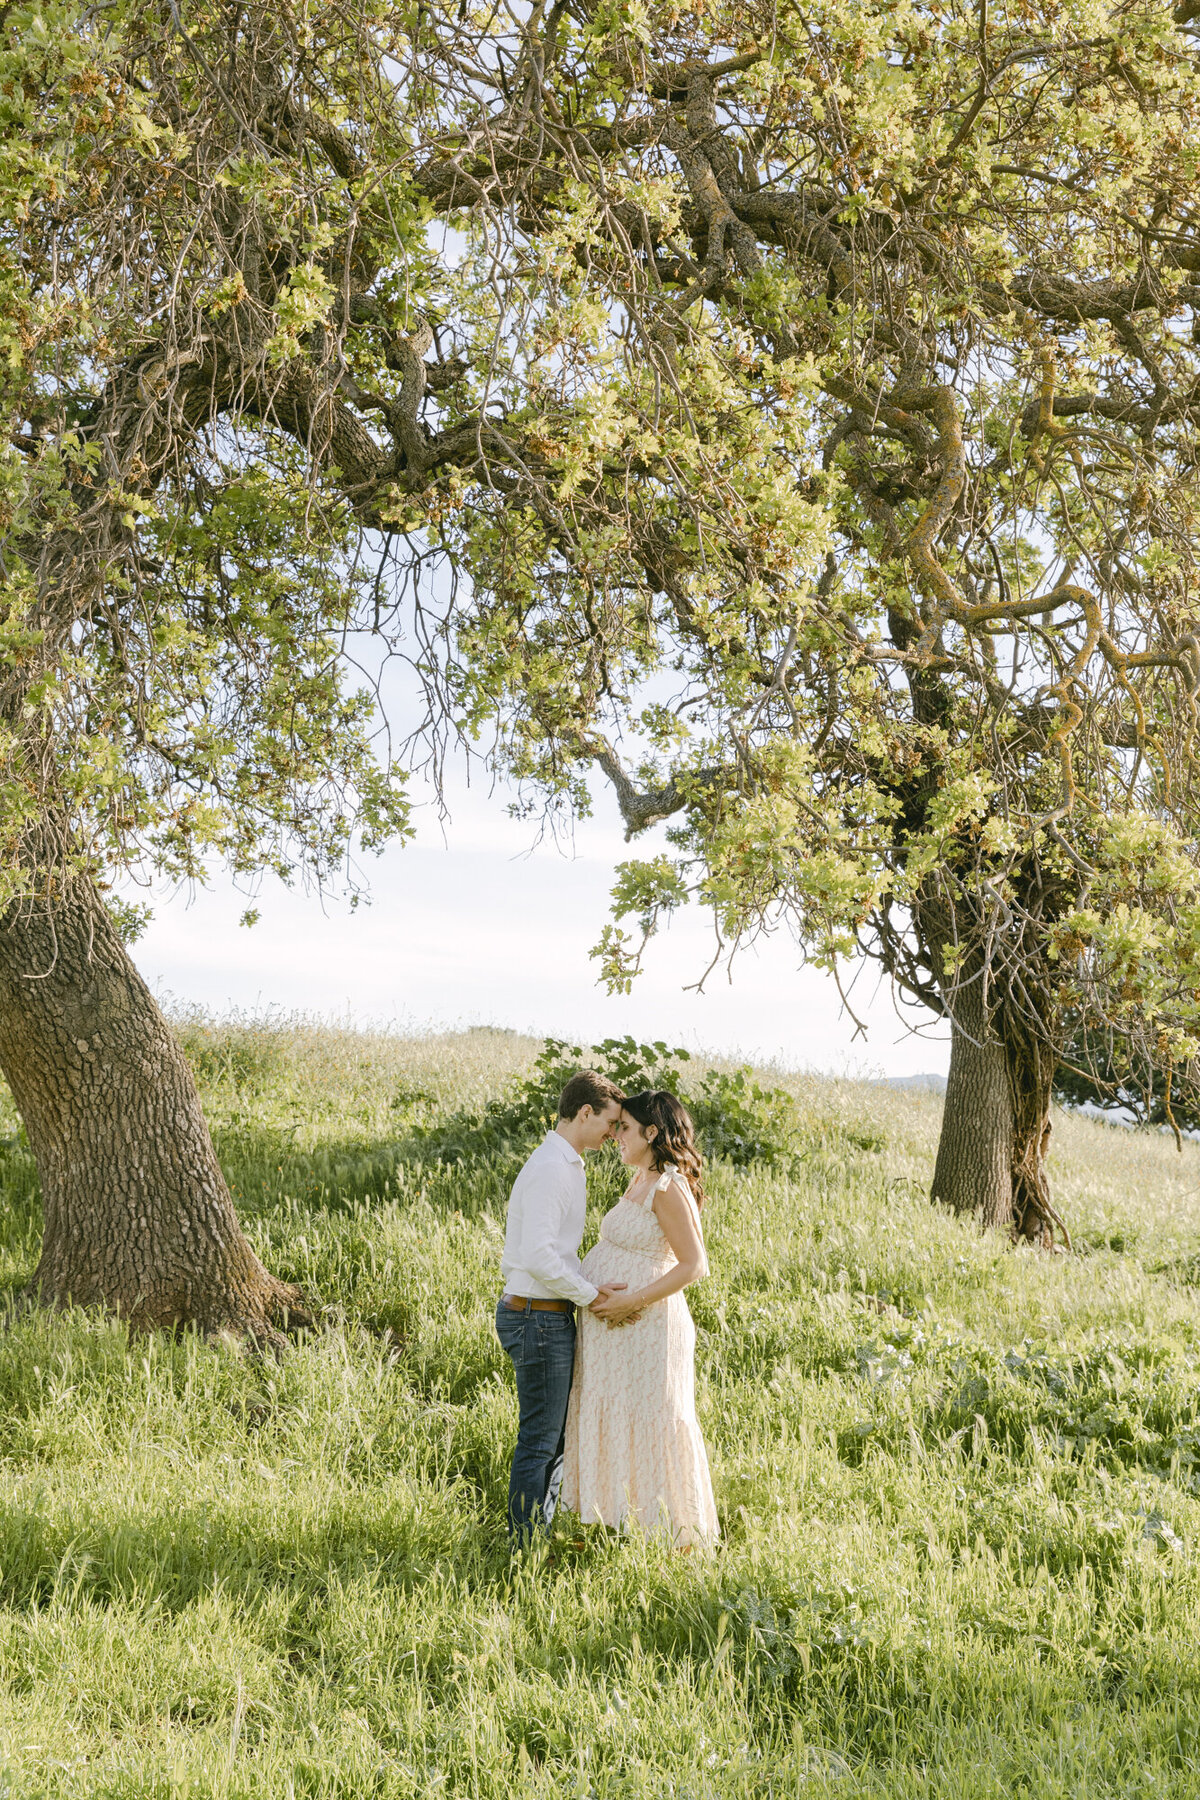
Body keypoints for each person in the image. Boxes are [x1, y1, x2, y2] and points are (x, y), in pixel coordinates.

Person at [561, 1089, 718, 1548]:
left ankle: (671, 1536)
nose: (616, 1136)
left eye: (625, 1128)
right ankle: (613, 1521)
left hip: (647, 1328)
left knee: (650, 1421)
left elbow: (694, 1265)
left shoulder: (670, 1186)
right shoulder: (640, 1180)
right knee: (614, 1414)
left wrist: (634, 1302)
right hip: (618, 1337)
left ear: (652, 1132)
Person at [495, 1070, 627, 1542]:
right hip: (537, 1317)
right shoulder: (553, 1167)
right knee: (539, 1441)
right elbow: (538, 1254)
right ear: (585, 1112)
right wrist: (592, 1297)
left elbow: (556, 1253)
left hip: (541, 1313)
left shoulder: (563, 1162)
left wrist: (590, 1285)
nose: (613, 1134)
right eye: (610, 1122)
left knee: (548, 1439)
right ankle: (524, 1546)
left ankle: (532, 1536)